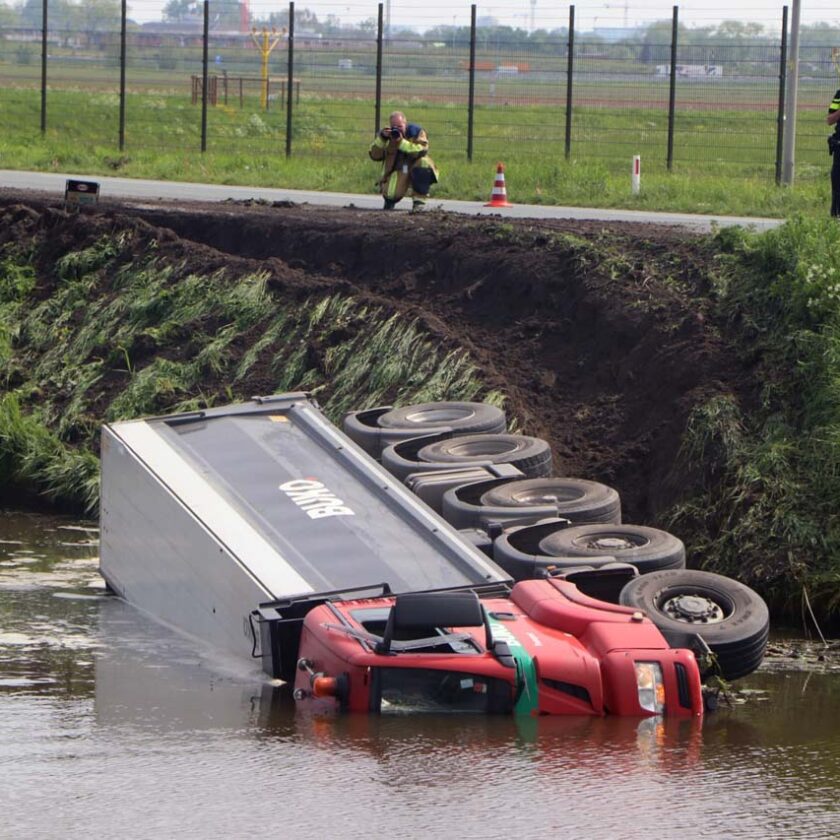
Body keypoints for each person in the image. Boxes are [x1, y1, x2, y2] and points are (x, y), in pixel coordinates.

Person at [369, 111, 438, 211]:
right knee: (391, 194)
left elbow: (422, 150)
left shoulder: (416, 132)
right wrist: (383, 138)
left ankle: (419, 204)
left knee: (424, 162)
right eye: (394, 127)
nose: (397, 130)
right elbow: (374, 155)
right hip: (399, 169)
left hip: (415, 165)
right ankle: (389, 203)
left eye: (400, 126)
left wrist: (401, 142)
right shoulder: (387, 136)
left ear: (405, 124)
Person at [828, 88, 840, 217]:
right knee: (837, 184)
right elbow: (829, 120)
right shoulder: (839, 95)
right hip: (839, 147)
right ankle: (835, 217)